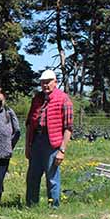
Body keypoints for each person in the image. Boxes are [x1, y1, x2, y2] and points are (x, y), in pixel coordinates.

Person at [25, 69, 73, 208]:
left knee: (52, 177)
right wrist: (28, 146)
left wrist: (62, 150)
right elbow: (29, 124)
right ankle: (31, 206)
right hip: (36, 140)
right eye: (43, 82)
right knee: (33, 176)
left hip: (52, 143)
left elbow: (68, 128)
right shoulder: (37, 99)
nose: (45, 85)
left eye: (48, 82)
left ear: (55, 82)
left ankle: (54, 207)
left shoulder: (64, 99)